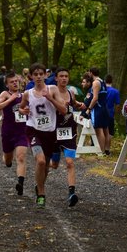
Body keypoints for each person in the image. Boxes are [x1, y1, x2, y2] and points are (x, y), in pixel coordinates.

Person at [19, 63, 66, 208]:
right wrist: (23, 111)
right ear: (31, 77)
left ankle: (39, 185)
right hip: (33, 130)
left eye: (41, 74)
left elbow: (63, 110)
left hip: (50, 132)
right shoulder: (28, 93)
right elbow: (20, 108)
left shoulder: (53, 89)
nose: (38, 77)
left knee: (45, 166)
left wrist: (50, 99)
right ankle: (41, 192)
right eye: (35, 74)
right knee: (40, 162)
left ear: (45, 75)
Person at [0, 71, 29, 195]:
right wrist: (10, 100)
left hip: (22, 132)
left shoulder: (25, 95)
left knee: (21, 157)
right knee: (8, 160)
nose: (15, 83)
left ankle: (20, 183)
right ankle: (8, 160)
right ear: (7, 84)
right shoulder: (5, 94)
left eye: (16, 81)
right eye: (12, 82)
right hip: (8, 132)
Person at [50, 67, 83, 207]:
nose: (64, 78)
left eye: (66, 76)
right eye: (61, 76)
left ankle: (72, 193)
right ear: (56, 78)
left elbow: (74, 104)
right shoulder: (51, 93)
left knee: (70, 162)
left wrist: (80, 105)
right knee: (55, 165)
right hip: (54, 132)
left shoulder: (71, 93)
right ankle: (45, 165)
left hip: (69, 131)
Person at [82, 67, 110, 154]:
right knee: (106, 130)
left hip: (98, 108)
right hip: (104, 107)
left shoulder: (95, 82)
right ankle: (107, 150)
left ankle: (100, 151)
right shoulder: (102, 81)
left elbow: (95, 98)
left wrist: (89, 109)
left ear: (91, 73)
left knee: (99, 130)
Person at [104, 74, 120, 156]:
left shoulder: (101, 90)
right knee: (110, 132)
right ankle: (107, 149)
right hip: (110, 113)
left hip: (101, 113)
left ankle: (101, 148)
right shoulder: (115, 91)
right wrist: (115, 112)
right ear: (111, 81)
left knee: (102, 131)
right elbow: (117, 105)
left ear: (104, 81)